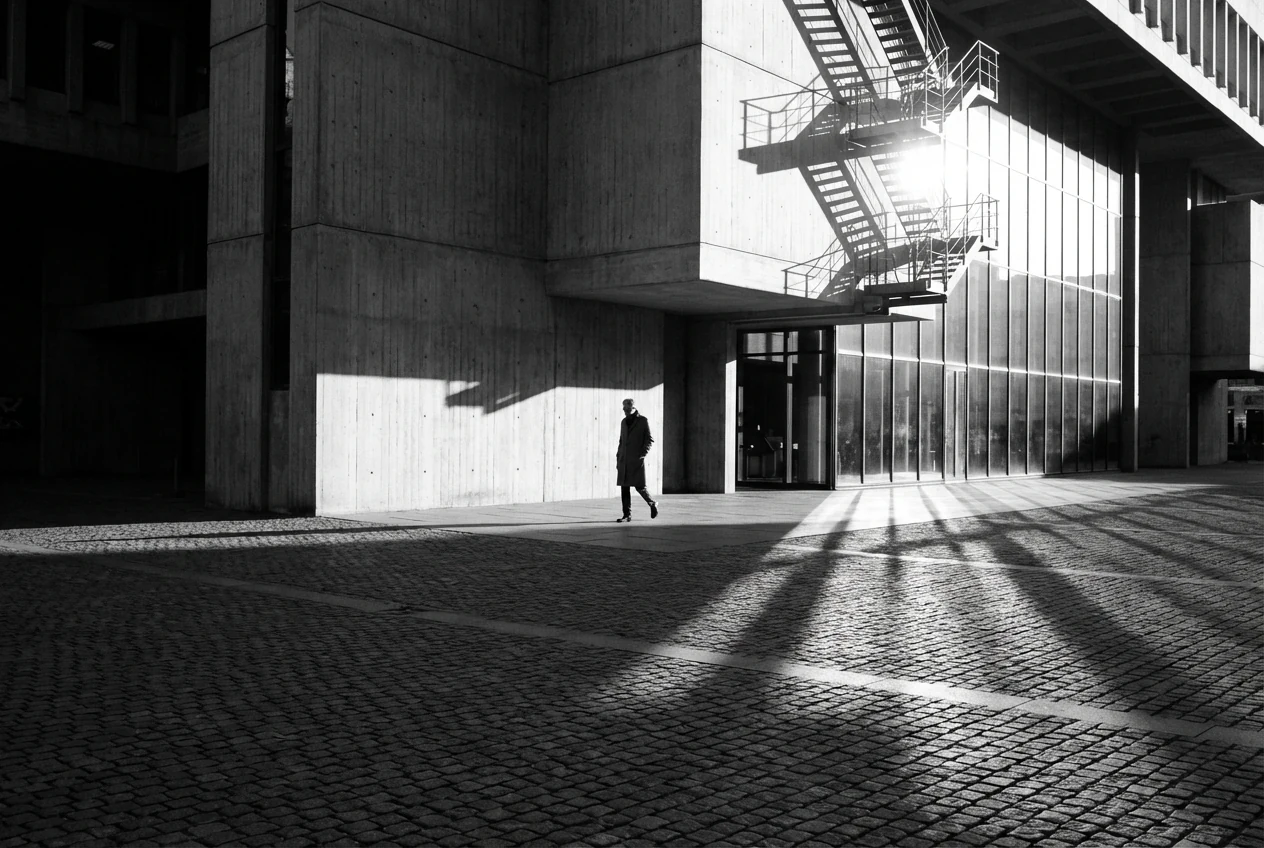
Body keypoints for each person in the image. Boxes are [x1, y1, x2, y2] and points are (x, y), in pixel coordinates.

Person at [615, 397, 658, 522]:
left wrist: (642, 454)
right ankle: (627, 514)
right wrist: (618, 457)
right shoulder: (623, 422)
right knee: (624, 487)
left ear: (632, 407)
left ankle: (652, 503)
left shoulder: (643, 421)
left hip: (636, 459)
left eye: (627, 408)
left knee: (640, 486)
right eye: (624, 407)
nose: (625, 410)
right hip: (624, 460)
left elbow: (649, 439)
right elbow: (621, 441)